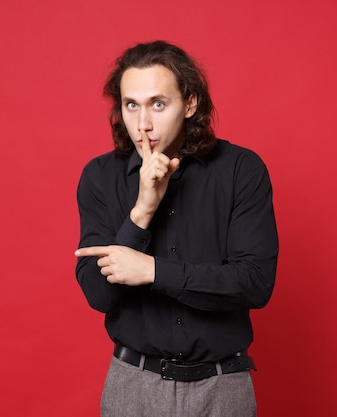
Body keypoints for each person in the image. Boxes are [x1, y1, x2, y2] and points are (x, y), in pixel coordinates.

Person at [74, 40, 278, 417]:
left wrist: (152, 271)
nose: (142, 123)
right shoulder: (100, 177)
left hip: (223, 387)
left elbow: (255, 283)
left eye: (158, 104)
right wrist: (143, 210)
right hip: (132, 387)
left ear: (190, 104)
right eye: (130, 104)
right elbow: (98, 294)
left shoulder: (240, 171)